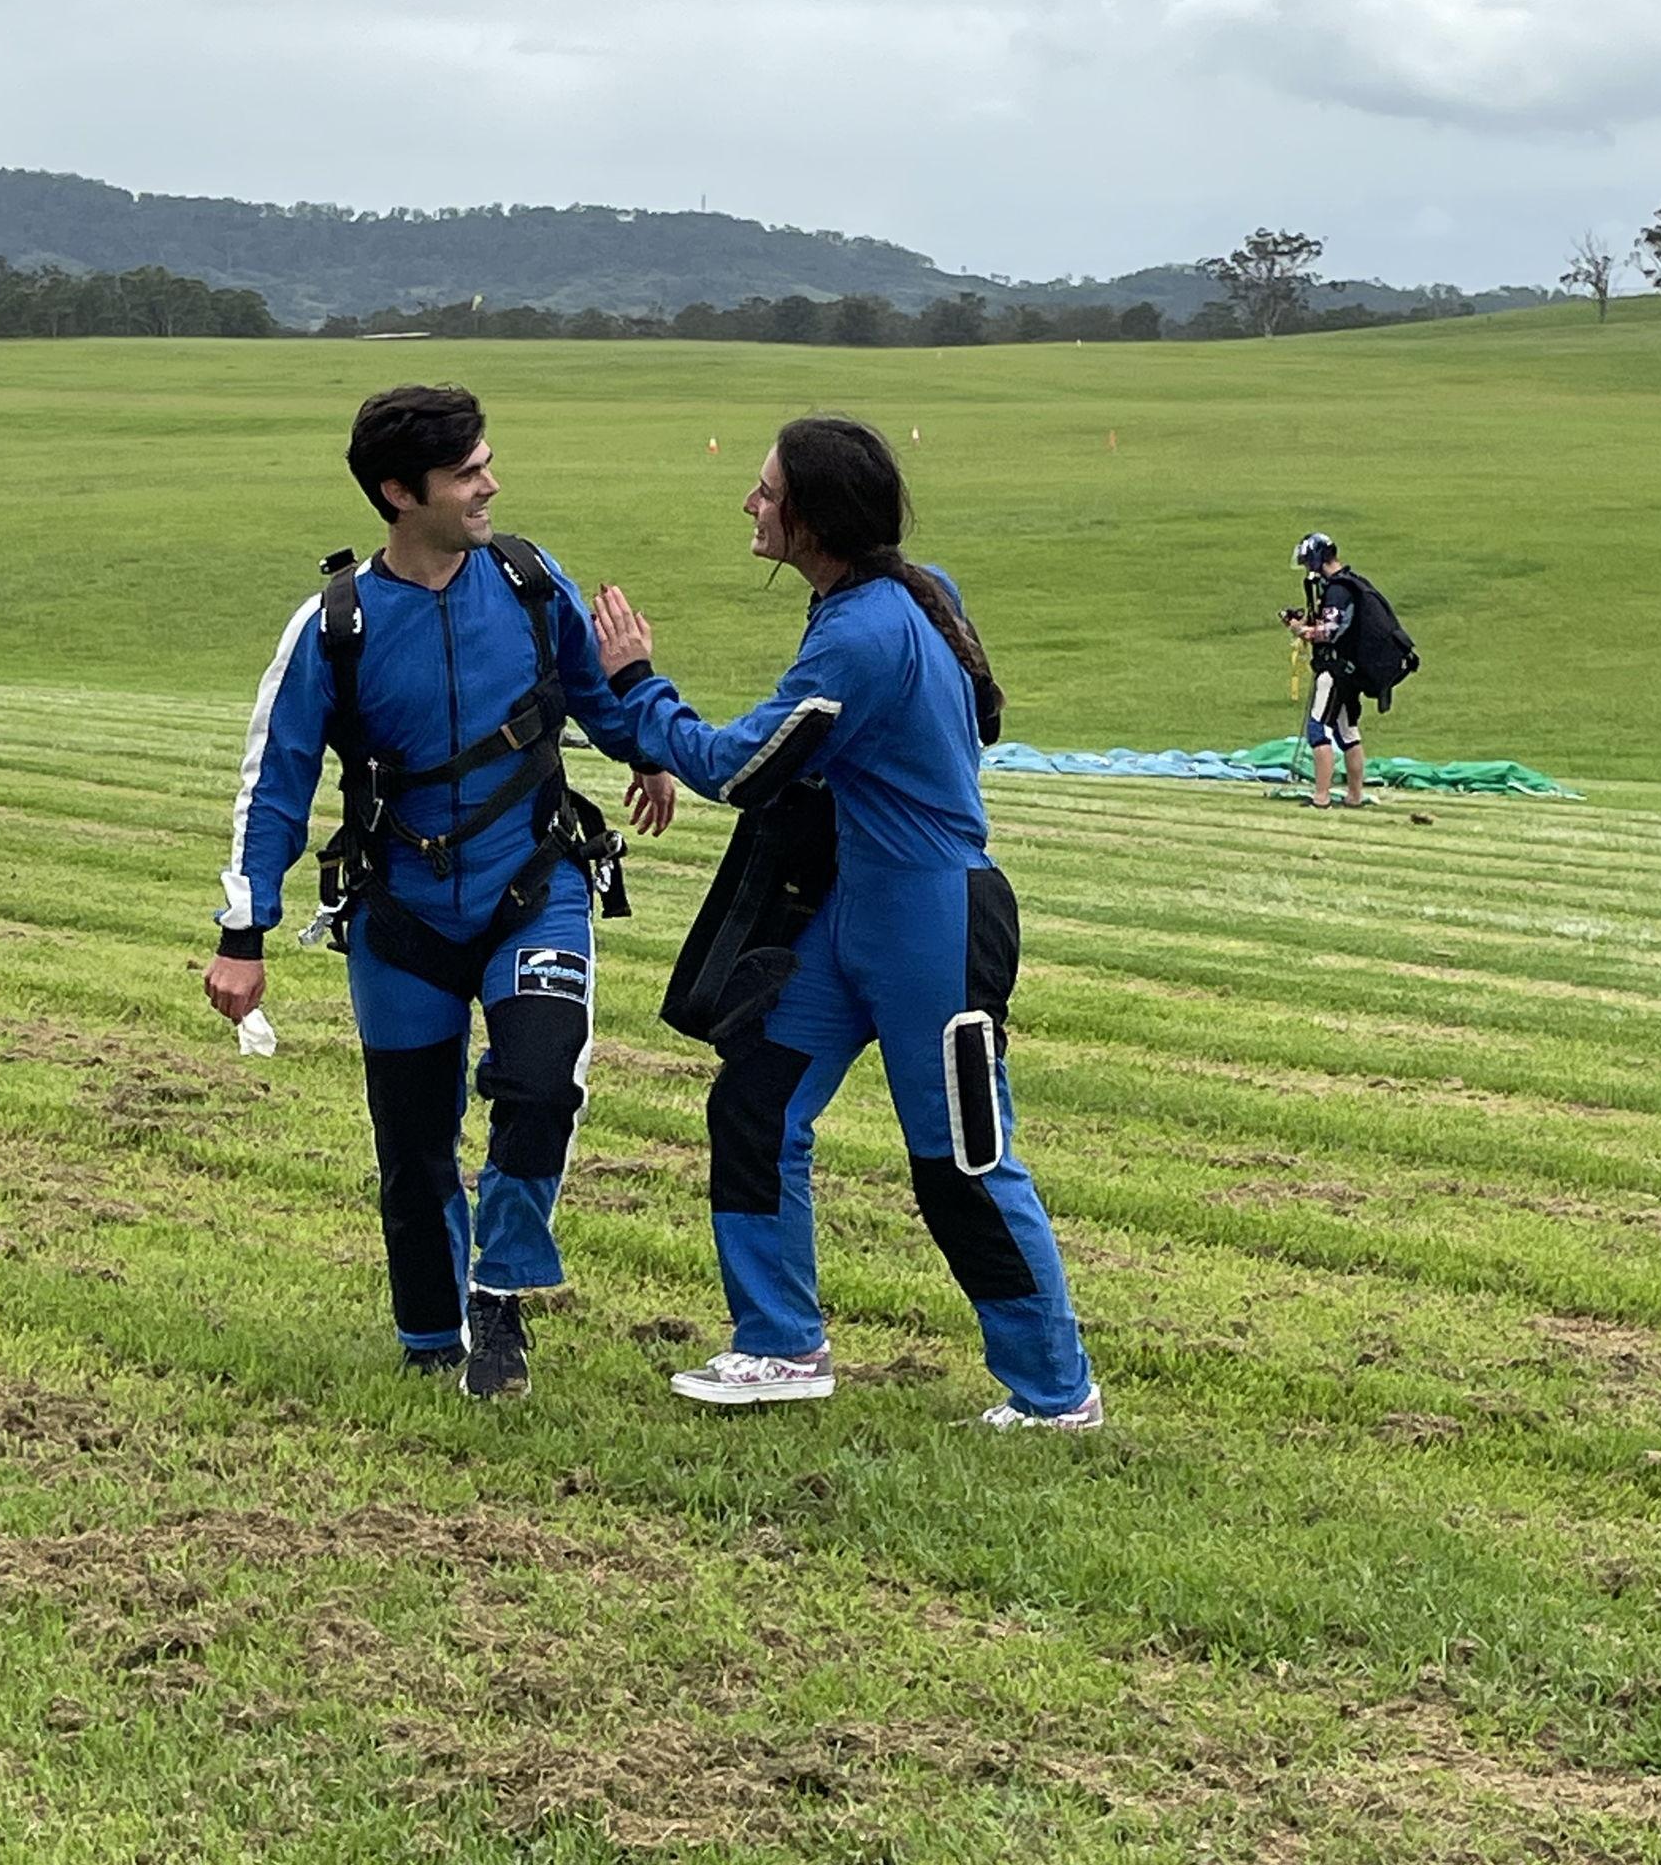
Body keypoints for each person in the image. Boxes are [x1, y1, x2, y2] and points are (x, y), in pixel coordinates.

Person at [591, 416, 1099, 1430]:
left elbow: (744, 764)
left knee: (961, 1157)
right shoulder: (905, 590)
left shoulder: (867, 628)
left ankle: (1054, 1392)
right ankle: (779, 1344)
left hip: (932, 923)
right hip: (851, 908)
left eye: (766, 490)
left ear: (815, 518)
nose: (749, 502)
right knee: (755, 1105)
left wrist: (638, 688)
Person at [204, 384, 676, 1398]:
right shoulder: (332, 626)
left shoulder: (525, 577)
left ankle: (499, 1291)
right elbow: (271, 782)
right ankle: (431, 1341)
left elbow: (589, 697)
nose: (489, 484)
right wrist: (243, 932)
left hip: (532, 886)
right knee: (414, 1154)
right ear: (395, 491)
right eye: (466, 473)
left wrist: (646, 746)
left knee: (541, 1081)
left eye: (486, 462)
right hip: (401, 915)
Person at [1282, 532, 1368, 810]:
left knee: (1318, 729)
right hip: (1351, 671)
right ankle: (1354, 796)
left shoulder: (1337, 590)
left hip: (1334, 670)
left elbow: (1329, 631)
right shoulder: (1349, 584)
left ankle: (1322, 796)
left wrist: (1301, 630)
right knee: (1347, 733)